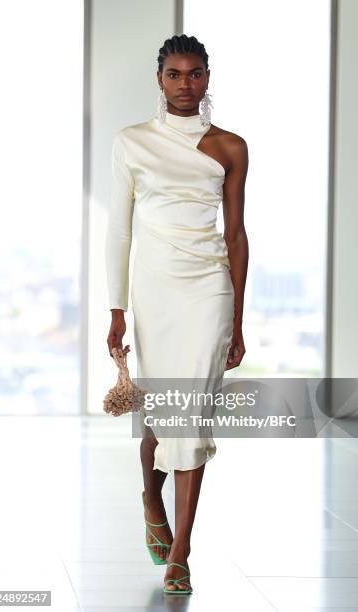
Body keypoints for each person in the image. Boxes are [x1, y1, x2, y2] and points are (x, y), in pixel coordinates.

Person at [105, 34, 248, 594]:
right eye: (174, 75)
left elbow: (235, 235)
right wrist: (116, 309)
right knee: (164, 416)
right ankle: (150, 494)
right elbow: (119, 228)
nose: (185, 84)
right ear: (159, 79)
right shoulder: (131, 142)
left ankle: (182, 552)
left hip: (209, 286)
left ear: (207, 77)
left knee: (192, 418)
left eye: (194, 74)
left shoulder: (230, 147)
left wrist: (237, 319)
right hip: (155, 289)